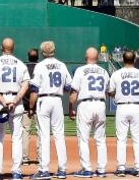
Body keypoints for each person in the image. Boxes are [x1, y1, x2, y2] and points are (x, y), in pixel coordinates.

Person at [0, 37, 31, 180]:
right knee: (17, 138)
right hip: (16, 102)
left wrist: (3, 101)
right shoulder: (20, 64)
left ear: (1, 47)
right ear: (13, 48)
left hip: (0, 102)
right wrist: (14, 101)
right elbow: (25, 85)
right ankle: (16, 172)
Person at [30, 40, 72, 179]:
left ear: (43, 52)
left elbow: (34, 89)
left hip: (44, 99)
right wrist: (57, 90)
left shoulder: (40, 65)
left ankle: (44, 170)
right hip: (57, 100)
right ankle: (62, 170)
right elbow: (68, 86)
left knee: (44, 135)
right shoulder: (62, 65)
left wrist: (31, 107)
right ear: (54, 50)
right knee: (59, 135)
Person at [69, 47, 109, 178]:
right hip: (100, 104)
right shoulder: (104, 71)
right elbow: (108, 91)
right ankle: (101, 170)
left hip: (86, 104)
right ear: (97, 57)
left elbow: (74, 92)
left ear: (86, 57)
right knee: (100, 139)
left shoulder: (80, 70)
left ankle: (86, 169)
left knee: (83, 139)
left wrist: (71, 107)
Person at [109, 50, 139, 177]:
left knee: (121, 139)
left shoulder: (116, 74)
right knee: (137, 139)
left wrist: (115, 93)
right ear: (134, 60)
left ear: (123, 60)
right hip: (136, 107)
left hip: (122, 107)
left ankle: (121, 168)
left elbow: (111, 92)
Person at [24, 48, 40, 166]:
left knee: (25, 131)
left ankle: (24, 158)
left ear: (28, 57)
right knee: (41, 131)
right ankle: (41, 157)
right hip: (40, 104)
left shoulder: (24, 68)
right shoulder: (42, 67)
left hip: (25, 103)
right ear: (38, 57)